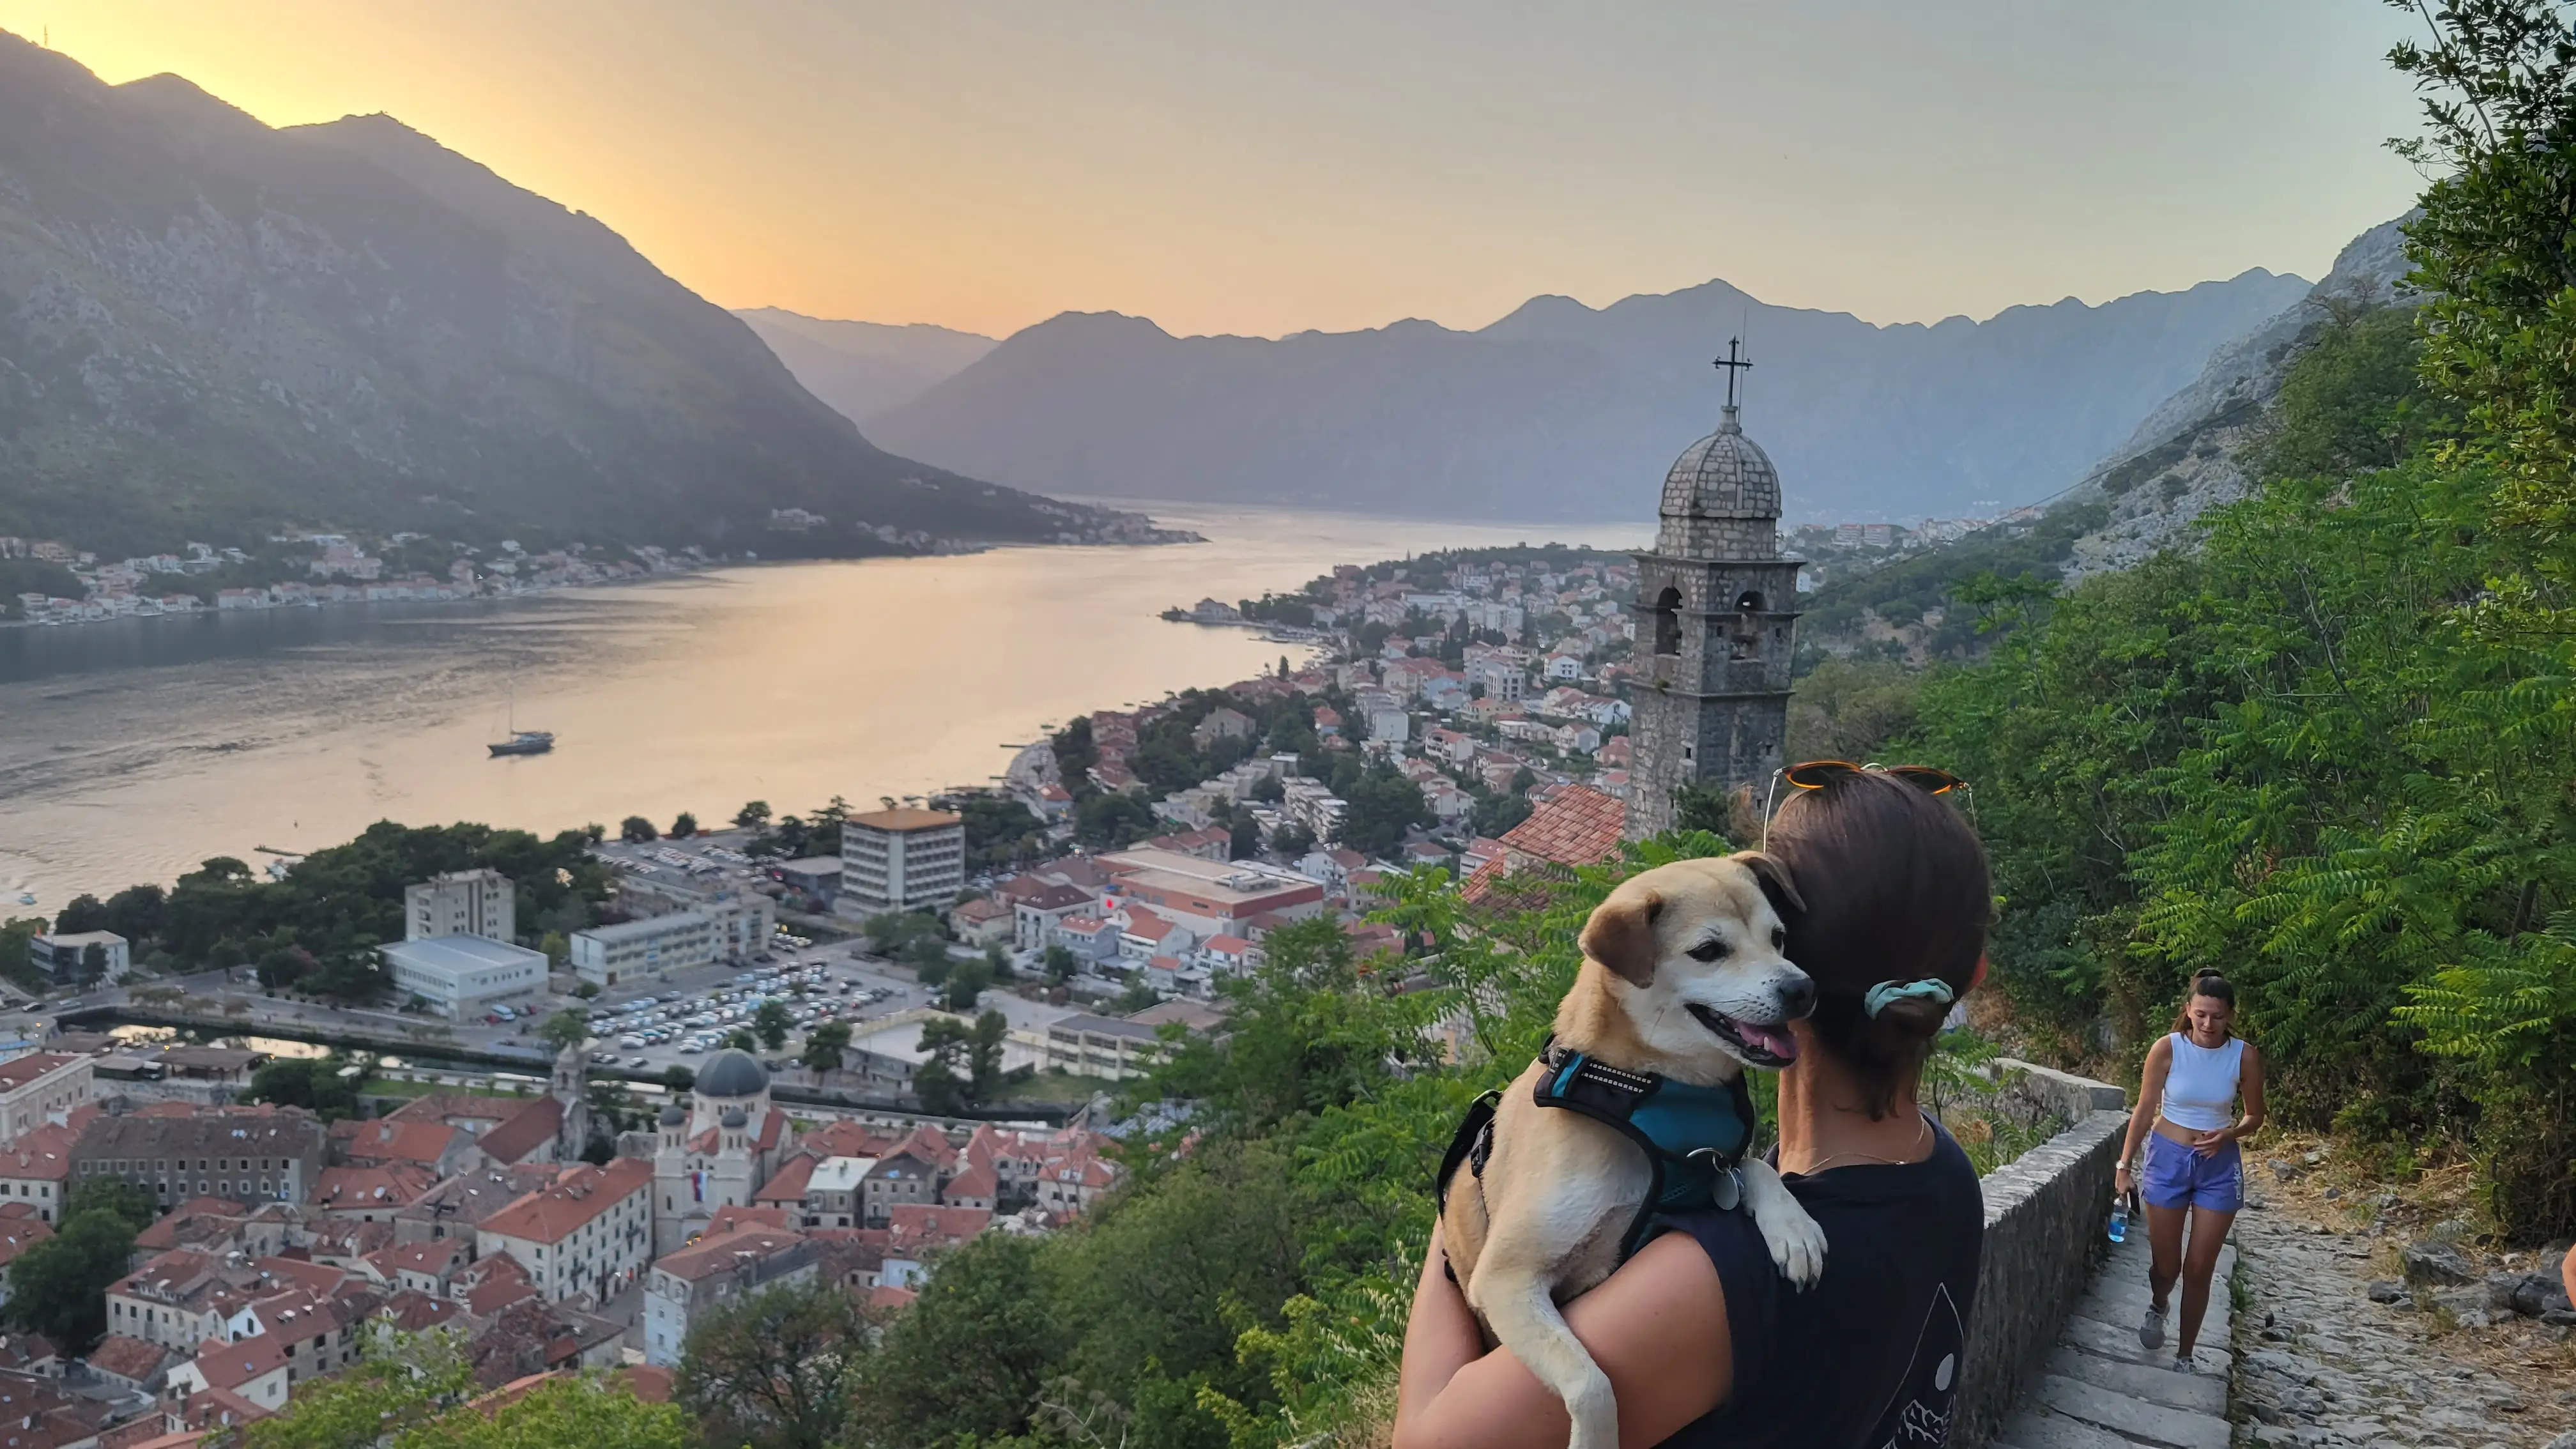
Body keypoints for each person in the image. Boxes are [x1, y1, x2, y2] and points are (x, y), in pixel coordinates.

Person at [1393, 767, 1990, 1449]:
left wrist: (1467, 1194)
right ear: (1970, 976)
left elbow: (1425, 1440)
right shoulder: (1945, 1173)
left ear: (1795, 975)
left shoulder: (1710, 1282)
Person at [2115, 970, 2266, 1373]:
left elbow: (2256, 1115)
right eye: (2200, 1014)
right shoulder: (2167, 1049)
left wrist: (2229, 1133)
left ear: (2230, 1015)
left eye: (2217, 1016)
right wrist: (2124, 1165)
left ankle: (2186, 1354)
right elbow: (2145, 1110)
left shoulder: (2244, 1055)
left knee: (2200, 1267)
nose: (2208, 1024)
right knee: (2168, 1267)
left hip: (2218, 1165)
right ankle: (2159, 1302)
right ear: (2188, 1010)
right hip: (2167, 1159)